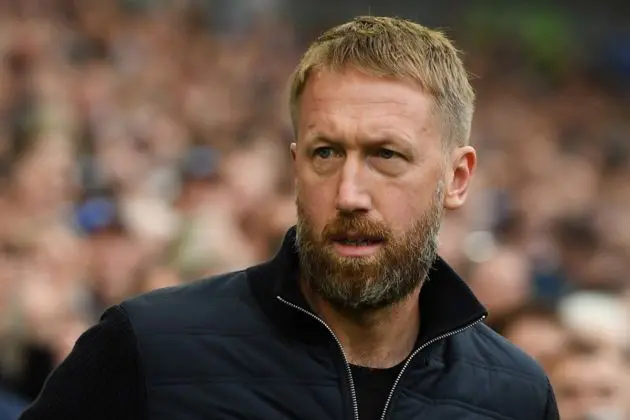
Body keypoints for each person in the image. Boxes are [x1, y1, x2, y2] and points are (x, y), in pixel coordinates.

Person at [20, 16, 559, 420]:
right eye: (326, 153)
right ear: (295, 165)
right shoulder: (148, 346)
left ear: (457, 178)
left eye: (386, 156)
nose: (350, 194)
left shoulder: (516, 395)